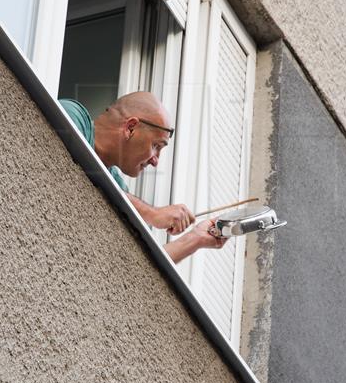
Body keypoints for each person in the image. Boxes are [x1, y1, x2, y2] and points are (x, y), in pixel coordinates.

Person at [60, 92, 227, 263]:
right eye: (156, 146)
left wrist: (195, 239)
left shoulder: (117, 186)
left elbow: (142, 263)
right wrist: (152, 213)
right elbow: (76, 168)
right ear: (130, 127)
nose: (155, 161)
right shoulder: (72, 114)